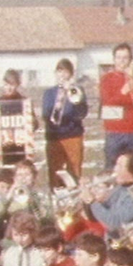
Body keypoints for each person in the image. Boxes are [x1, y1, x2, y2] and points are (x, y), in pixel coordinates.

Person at [100, 42, 133, 168]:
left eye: (125, 58)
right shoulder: (107, 78)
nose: (122, 61)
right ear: (114, 60)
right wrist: (123, 92)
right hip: (114, 131)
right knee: (112, 169)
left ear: (130, 60)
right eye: (119, 58)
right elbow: (108, 102)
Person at [42, 58, 88, 188]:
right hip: (54, 137)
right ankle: (56, 196)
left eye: (66, 72)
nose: (62, 75)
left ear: (71, 74)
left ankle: (75, 199)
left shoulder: (77, 91)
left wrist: (72, 94)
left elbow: (81, 113)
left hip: (73, 135)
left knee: (74, 170)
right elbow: (46, 114)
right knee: (55, 171)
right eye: (59, 71)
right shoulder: (49, 93)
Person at [0, 69, 38, 171]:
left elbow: (35, 125)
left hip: (22, 148)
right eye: (6, 84)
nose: (9, 88)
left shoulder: (25, 102)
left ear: (17, 85)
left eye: (12, 85)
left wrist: (31, 122)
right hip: (3, 148)